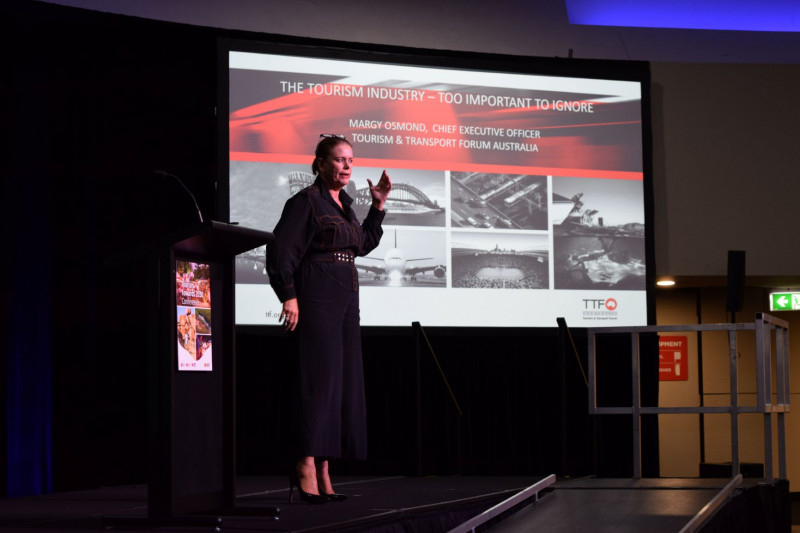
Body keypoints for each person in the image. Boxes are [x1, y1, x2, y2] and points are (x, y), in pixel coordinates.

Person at [267, 134, 392, 504]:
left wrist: (378, 206)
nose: (347, 166)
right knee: (317, 382)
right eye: (339, 160)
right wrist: (289, 296)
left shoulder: (345, 206)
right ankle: (305, 464)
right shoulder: (306, 202)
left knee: (341, 384)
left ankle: (324, 467)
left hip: (345, 301)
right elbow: (280, 252)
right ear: (320, 163)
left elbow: (362, 243)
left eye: (350, 160)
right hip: (316, 296)